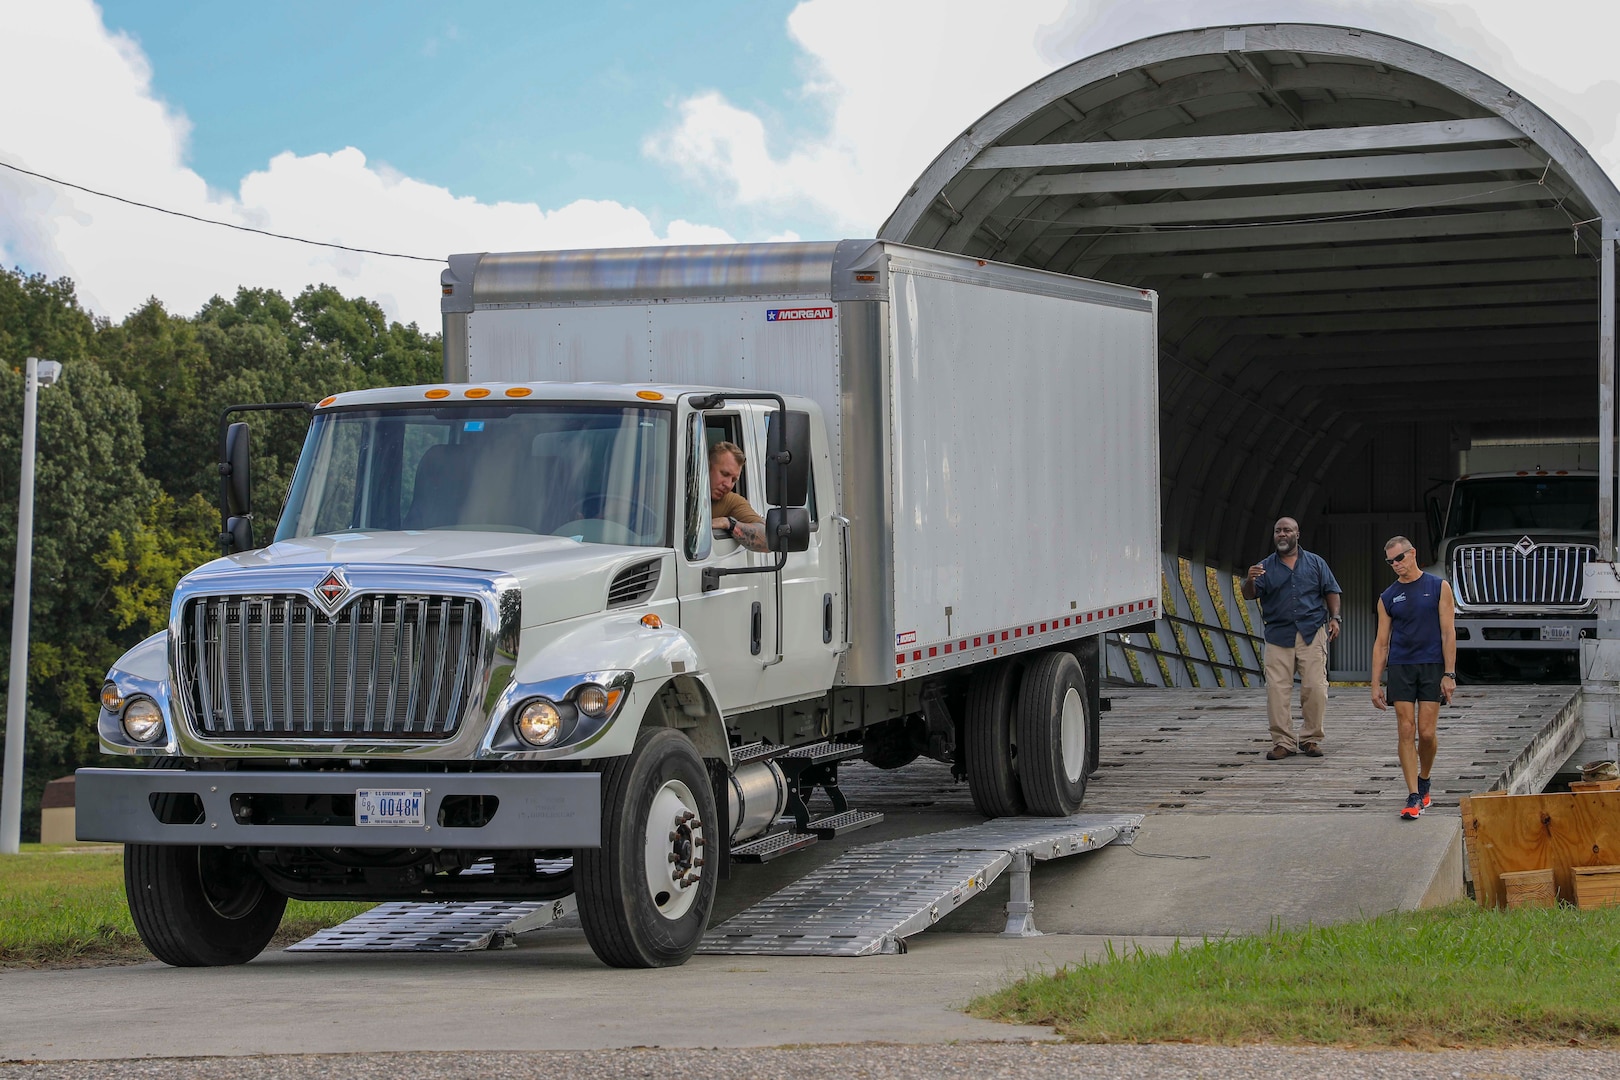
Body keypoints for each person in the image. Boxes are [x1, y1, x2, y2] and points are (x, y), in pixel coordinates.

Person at [1370, 534, 1456, 821]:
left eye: (1400, 558)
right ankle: (1413, 795)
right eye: (1390, 561)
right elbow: (1382, 642)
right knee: (1406, 729)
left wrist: (1449, 673)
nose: (1396, 564)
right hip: (1401, 667)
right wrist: (1375, 683)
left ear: (1413, 554)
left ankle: (1425, 778)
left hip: (1432, 665)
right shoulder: (1388, 597)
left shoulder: (1438, 586)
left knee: (1427, 733)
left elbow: (1448, 632)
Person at [1241, 517, 1342, 760]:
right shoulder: (1264, 567)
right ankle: (1283, 742)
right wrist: (1250, 579)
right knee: (1277, 690)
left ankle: (1310, 739)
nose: (1282, 534)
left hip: (1312, 632)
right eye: (1278, 531)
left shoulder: (1316, 563)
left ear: (1298, 534)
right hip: (1278, 635)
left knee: (1316, 688)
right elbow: (1248, 595)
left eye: (1287, 530)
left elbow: (1331, 591)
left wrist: (1335, 618)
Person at [708, 441, 768, 553]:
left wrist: (729, 524)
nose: (728, 485)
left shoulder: (731, 501)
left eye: (734, 480)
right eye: (724, 474)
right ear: (707, 467)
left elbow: (768, 539)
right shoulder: (675, 491)